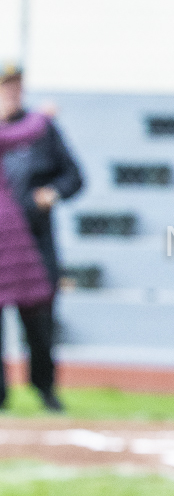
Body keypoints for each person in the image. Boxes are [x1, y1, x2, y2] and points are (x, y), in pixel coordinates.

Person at [0, 65, 79, 412]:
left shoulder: (44, 132)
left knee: (40, 323)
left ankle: (45, 389)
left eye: (16, 87)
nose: (12, 94)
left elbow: (74, 177)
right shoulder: (37, 127)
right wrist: (42, 119)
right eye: (6, 88)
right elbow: (19, 135)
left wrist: (52, 193)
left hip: (34, 243)